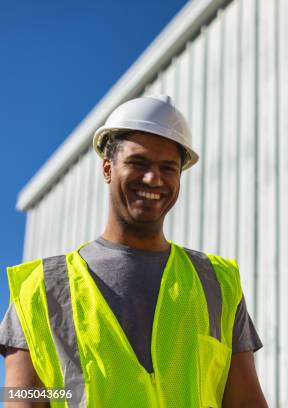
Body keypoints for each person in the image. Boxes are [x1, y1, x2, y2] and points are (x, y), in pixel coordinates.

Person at [1, 95, 268, 407]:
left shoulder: (218, 285)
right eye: (138, 163)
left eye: (168, 168)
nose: (154, 178)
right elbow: (24, 399)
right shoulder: (41, 290)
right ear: (107, 168)